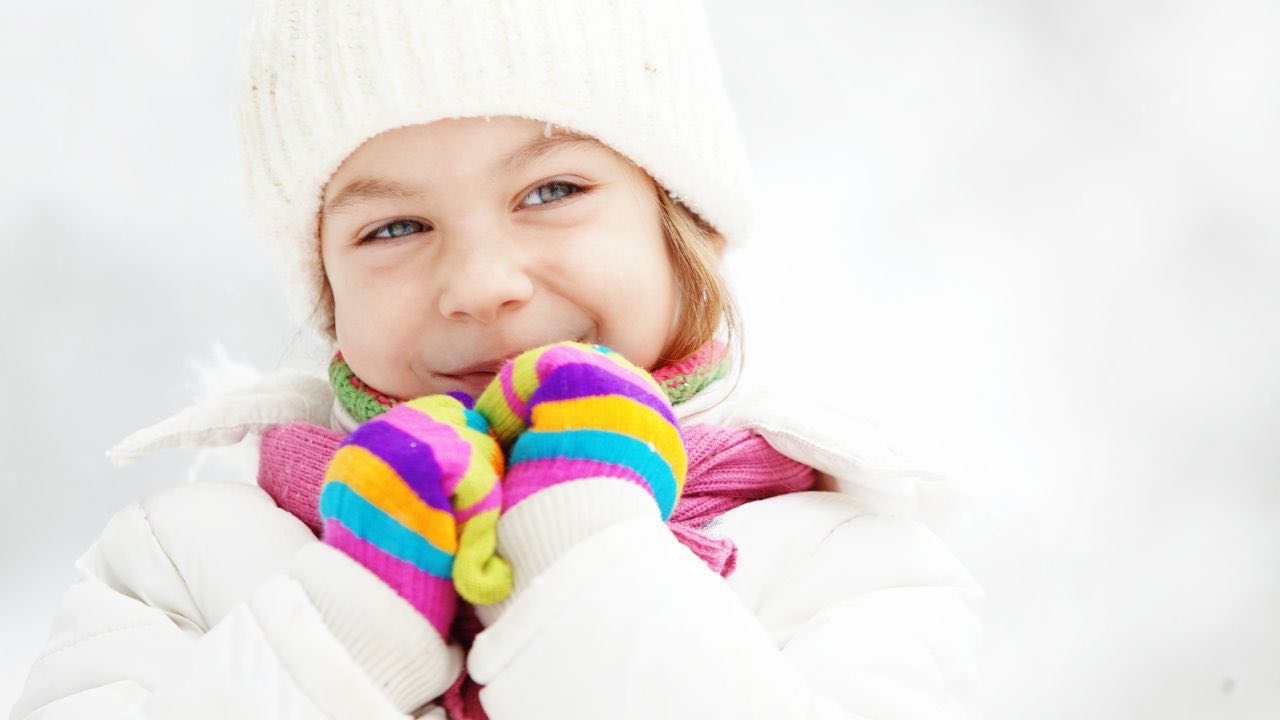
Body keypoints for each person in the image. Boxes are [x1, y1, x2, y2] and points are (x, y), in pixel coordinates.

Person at [11, 1, 984, 718]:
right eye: (394, 225)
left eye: (550, 189)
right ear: (324, 286)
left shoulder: (845, 561)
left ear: (681, 219)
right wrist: (346, 628)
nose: (479, 282)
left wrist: (584, 554)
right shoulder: (181, 563)